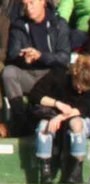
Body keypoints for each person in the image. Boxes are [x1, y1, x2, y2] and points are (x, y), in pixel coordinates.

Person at [29, 52, 90, 184]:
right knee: (43, 127)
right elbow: (35, 95)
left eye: (84, 90)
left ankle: (76, 169)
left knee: (77, 124)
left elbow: (85, 106)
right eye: (78, 87)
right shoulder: (59, 75)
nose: (80, 92)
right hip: (52, 112)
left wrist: (60, 118)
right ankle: (45, 169)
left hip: (76, 116)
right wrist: (57, 104)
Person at [3, 0, 73, 136]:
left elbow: (64, 58)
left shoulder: (59, 24)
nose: (28, 8)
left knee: (62, 73)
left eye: (32, 3)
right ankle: (20, 119)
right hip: (28, 74)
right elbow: (11, 54)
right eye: (25, 4)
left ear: (43, 2)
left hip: (50, 76)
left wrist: (41, 56)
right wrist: (23, 57)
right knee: (9, 72)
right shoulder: (19, 25)